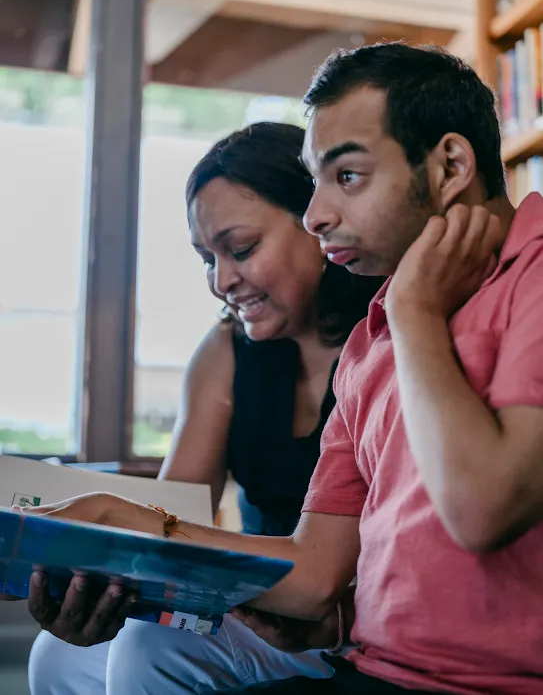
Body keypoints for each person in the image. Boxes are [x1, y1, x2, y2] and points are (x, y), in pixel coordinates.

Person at [15, 41, 543, 693]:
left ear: (450, 165)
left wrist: (413, 312)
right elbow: (316, 572)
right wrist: (118, 523)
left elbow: (480, 511)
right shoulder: (367, 343)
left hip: (412, 664)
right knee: (80, 655)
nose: (319, 215)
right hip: (354, 653)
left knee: (148, 653)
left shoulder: (431, 307)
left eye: (345, 178)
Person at [26, 121, 381, 695]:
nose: (221, 281)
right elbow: (174, 514)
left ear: (316, 219)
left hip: (340, 616)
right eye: (206, 259)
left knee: (154, 645)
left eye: (240, 250)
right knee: (58, 657)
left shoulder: (384, 342)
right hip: (256, 612)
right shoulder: (226, 351)